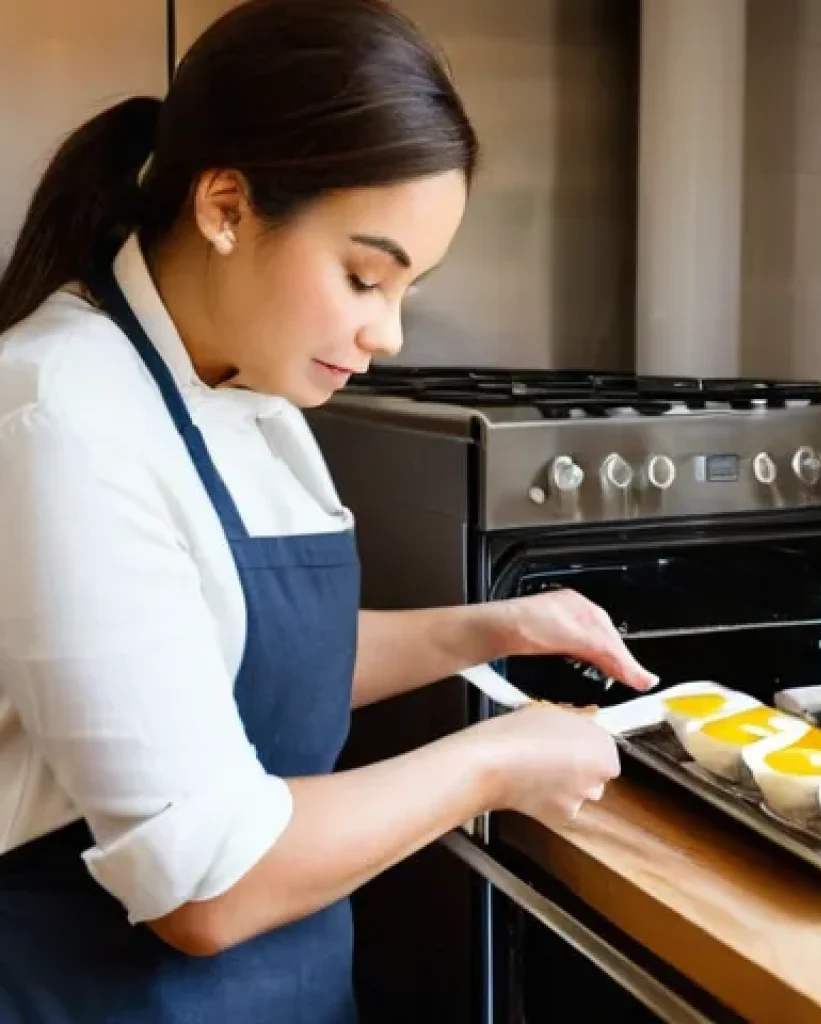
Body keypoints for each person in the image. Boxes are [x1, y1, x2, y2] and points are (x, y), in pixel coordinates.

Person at [0, 1, 658, 1021]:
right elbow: (205, 887)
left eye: (406, 289)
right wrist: (495, 762)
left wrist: (490, 629)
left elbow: (241, 660)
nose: (386, 331)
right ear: (226, 205)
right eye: (364, 275)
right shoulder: (61, 416)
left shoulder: (253, 388)